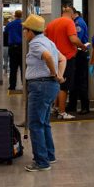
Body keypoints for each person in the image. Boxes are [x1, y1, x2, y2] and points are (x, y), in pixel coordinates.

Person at [23, 14, 66, 172]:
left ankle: (42, 162)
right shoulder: (49, 42)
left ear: (31, 31)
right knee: (44, 122)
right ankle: (49, 154)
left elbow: (47, 57)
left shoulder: (35, 44)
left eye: (25, 30)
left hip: (40, 86)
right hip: (50, 86)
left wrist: (54, 73)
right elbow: (63, 59)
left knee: (35, 124)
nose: (24, 33)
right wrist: (59, 76)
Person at [45, 6, 87, 120]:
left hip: (54, 58)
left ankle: (56, 107)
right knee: (64, 85)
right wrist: (82, 46)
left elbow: (45, 38)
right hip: (67, 58)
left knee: (56, 83)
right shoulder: (69, 22)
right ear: (72, 14)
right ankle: (62, 112)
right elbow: (73, 39)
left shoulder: (51, 23)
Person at [66, 10, 90, 114]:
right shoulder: (75, 22)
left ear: (73, 13)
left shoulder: (78, 23)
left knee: (81, 81)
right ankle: (72, 105)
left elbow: (76, 39)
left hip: (80, 53)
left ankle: (85, 107)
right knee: (73, 80)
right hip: (77, 53)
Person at [5, 10, 23, 91]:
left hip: (12, 48)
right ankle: (24, 84)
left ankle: (12, 86)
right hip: (22, 47)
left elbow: (6, 33)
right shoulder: (24, 24)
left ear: (15, 15)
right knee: (23, 67)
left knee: (13, 68)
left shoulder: (10, 24)